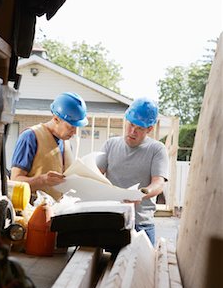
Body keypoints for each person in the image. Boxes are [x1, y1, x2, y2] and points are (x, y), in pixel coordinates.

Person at [97, 97, 169, 246]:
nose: (132, 131)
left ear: (150, 129)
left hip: (141, 224)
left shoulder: (157, 149)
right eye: (131, 125)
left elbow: (159, 183)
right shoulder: (110, 145)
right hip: (110, 221)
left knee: (141, 269)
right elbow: (95, 174)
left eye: (140, 128)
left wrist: (140, 193)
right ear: (126, 120)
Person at [10, 92, 88, 200]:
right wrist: (42, 180)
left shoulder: (67, 144)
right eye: (71, 127)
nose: (74, 132)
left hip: (59, 211)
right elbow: (14, 181)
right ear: (56, 119)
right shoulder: (30, 137)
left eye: (77, 127)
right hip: (33, 211)